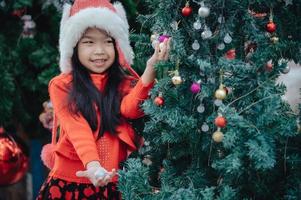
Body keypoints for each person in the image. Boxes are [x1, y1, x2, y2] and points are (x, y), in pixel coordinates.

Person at [36, 0, 171, 199]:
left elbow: (131, 109)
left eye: (108, 41)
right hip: (71, 181)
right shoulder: (62, 84)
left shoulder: (124, 83)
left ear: (117, 46)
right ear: (73, 47)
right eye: (89, 42)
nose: (99, 50)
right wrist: (93, 165)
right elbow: (76, 127)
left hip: (113, 182)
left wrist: (150, 70)